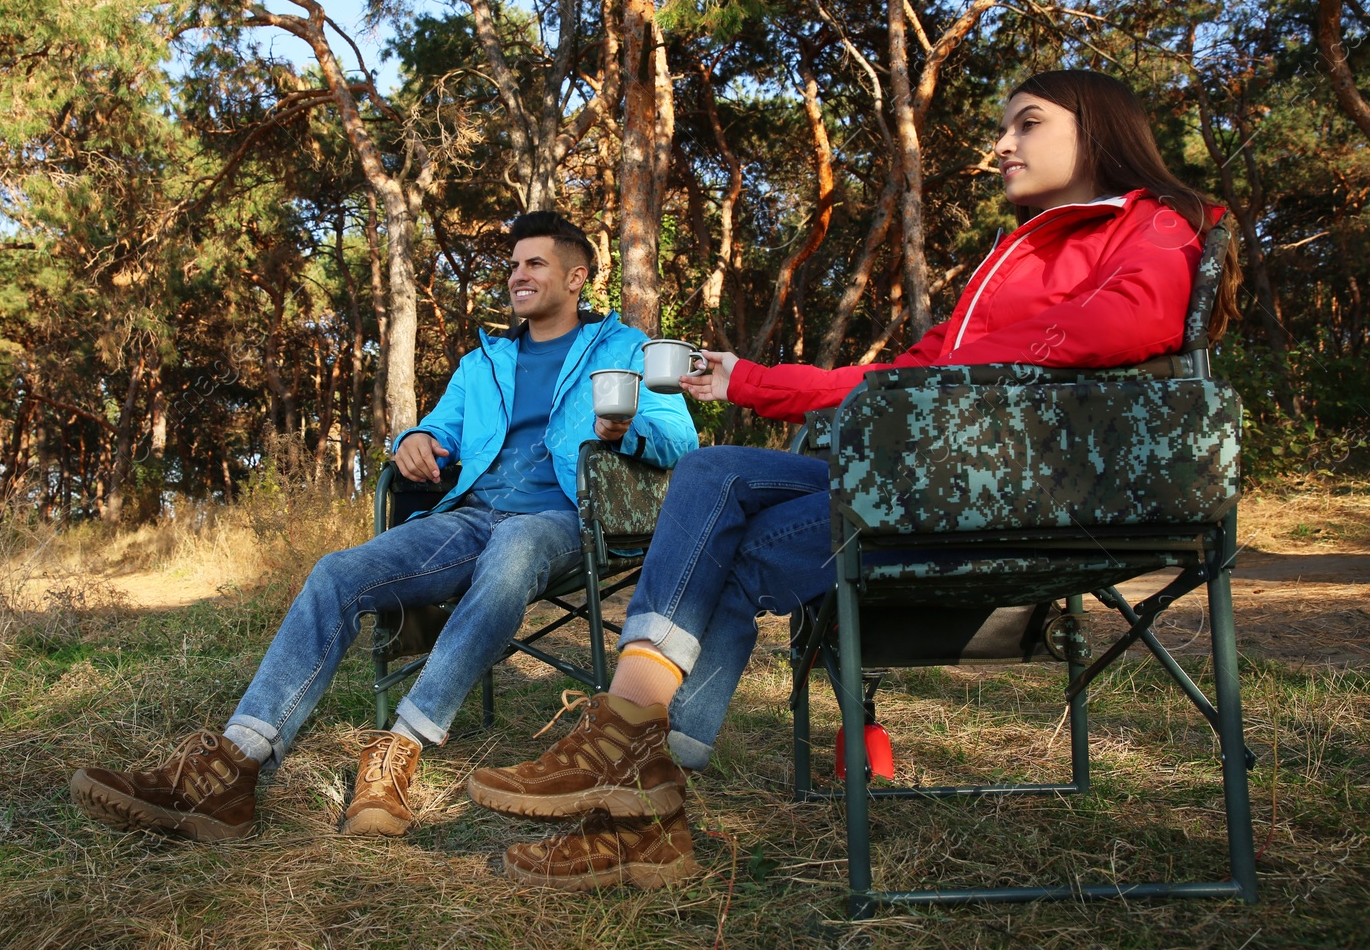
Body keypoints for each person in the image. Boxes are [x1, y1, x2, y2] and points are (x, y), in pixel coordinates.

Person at [465, 70, 1242, 891]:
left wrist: (958, 372)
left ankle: (631, 782)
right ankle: (632, 778)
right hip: (936, 482)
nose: (1002, 144)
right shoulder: (1016, 254)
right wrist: (748, 381)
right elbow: (907, 373)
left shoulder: (1151, 223)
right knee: (713, 472)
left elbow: (1134, 319)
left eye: (1027, 123)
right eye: (1003, 127)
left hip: (1014, 497)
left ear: (1098, 128)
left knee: (714, 535)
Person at [70, 211, 697, 842]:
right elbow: (442, 427)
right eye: (511, 265)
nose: (517, 275)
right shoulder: (486, 360)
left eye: (534, 264)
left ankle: (400, 750)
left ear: (576, 276)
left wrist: (626, 430)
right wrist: (416, 439)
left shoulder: (626, 350)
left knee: (512, 553)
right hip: (471, 514)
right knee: (338, 572)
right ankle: (235, 766)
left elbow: (679, 438)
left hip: (566, 517)